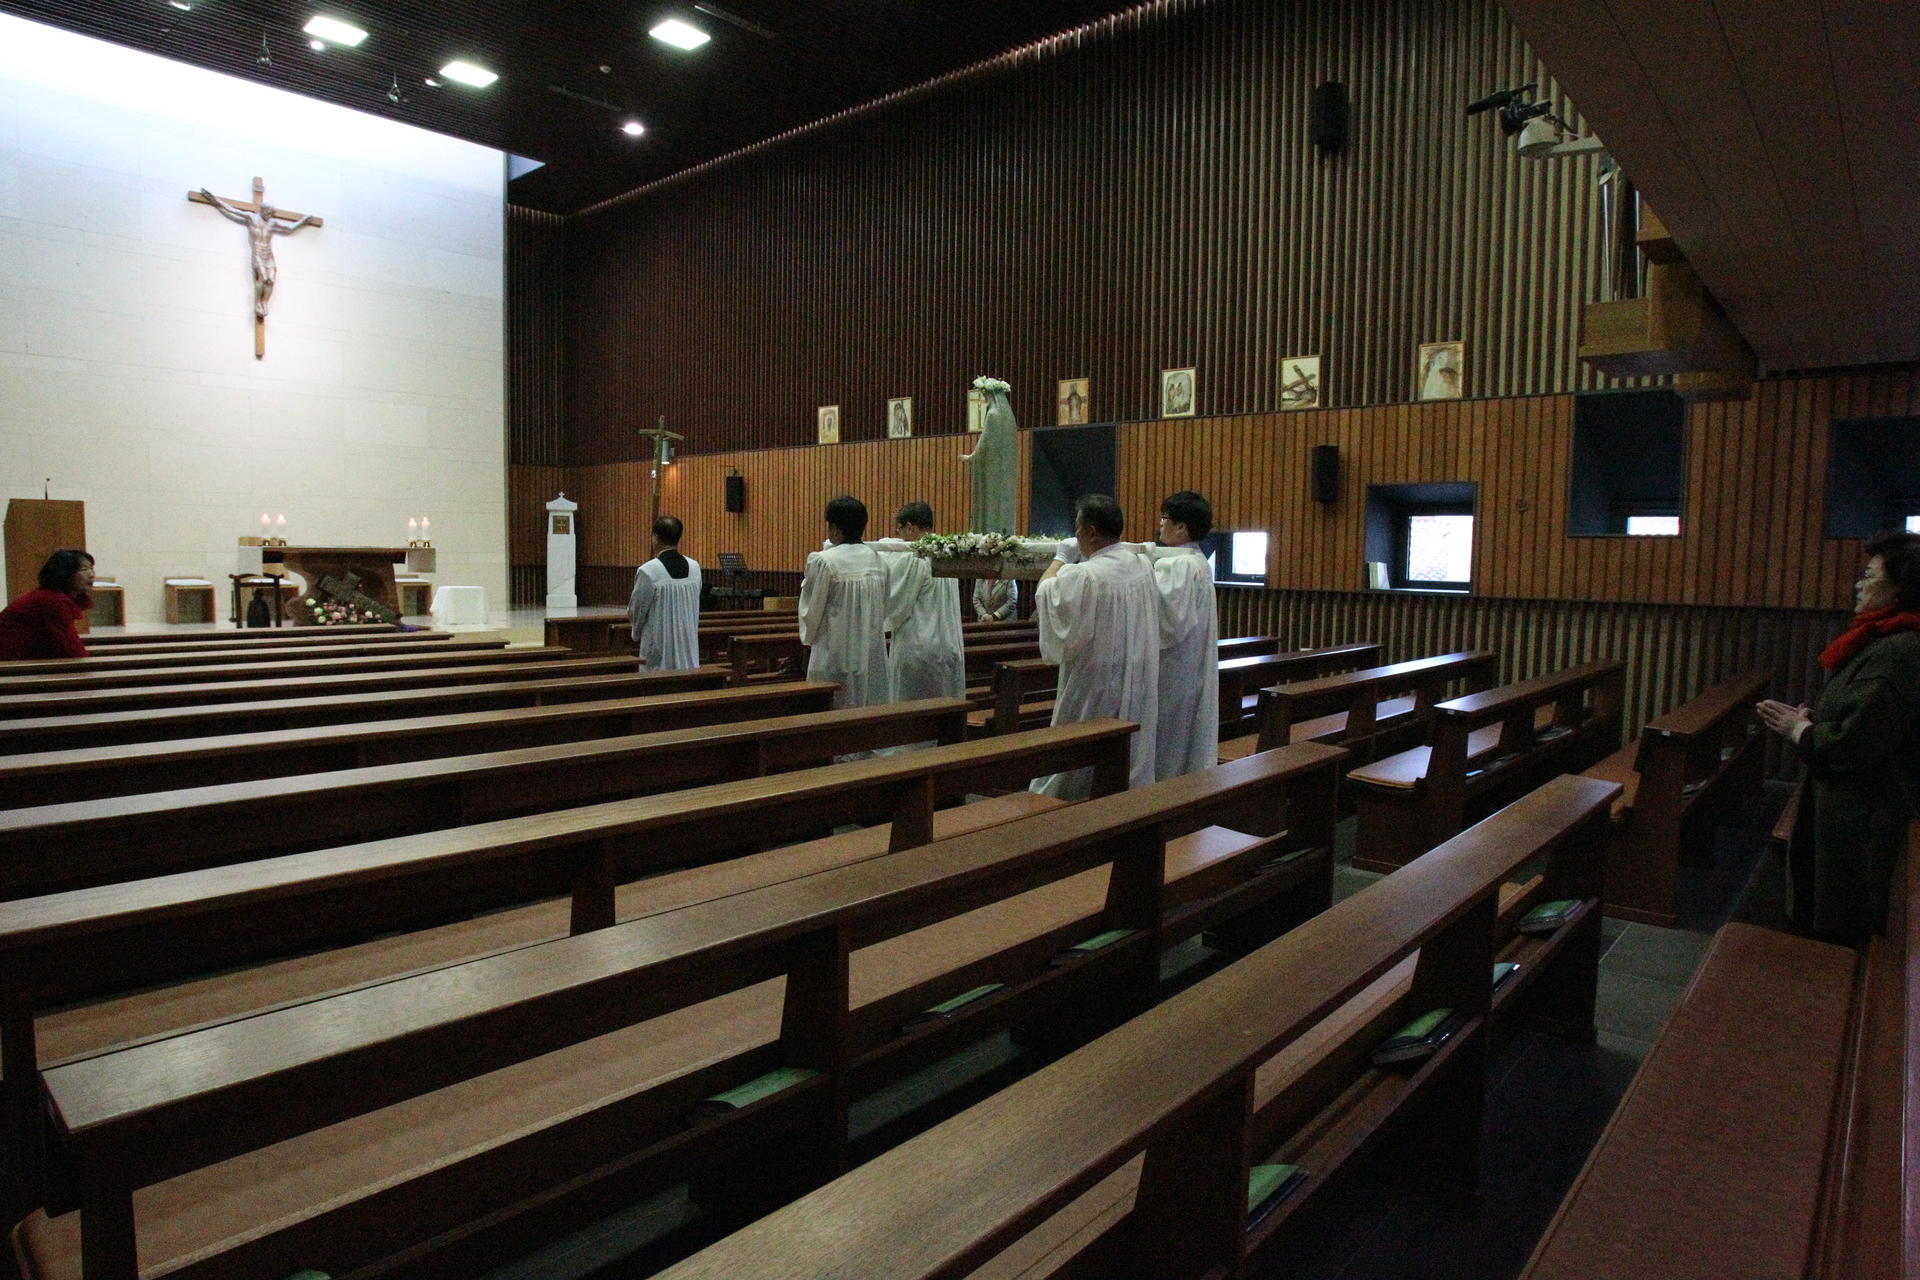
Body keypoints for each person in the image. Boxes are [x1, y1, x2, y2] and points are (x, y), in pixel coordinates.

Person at [1759, 530, 1920, 944]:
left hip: (1863, 815)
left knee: (1842, 922)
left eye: (1869, 577)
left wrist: (1799, 730)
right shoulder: (1885, 640)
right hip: (1852, 807)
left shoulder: (1900, 650)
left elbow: (1856, 744)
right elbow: (1868, 717)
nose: (1859, 585)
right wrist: (1815, 722)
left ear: (1900, 589)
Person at [1030, 495, 1166, 798]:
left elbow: (1046, 593)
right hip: (1135, 674)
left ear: (1091, 532)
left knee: (1080, 747)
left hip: (1096, 680)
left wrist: (1060, 559)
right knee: (1128, 749)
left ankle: (1066, 802)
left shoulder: (1086, 574)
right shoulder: (1141, 564)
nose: (1075, 534)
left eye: (1077, 527)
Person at [1143, 491, 1220, 781]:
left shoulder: (1179, 564)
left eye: (1164, 518)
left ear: (1181, 527)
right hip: (1189, 659)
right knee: (1185, 731)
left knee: (1168, 736)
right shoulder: (1197, 560)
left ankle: (1164, 793)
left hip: (1173, 665)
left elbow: (1167, 622)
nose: (1160, 524)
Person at [798, 495, 892, 710]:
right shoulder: (879, 561)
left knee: (830, 712)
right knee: (866, 712)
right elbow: (884, 607)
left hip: (833, 654)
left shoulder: (825, 561)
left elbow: (812, 611)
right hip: (869, 654)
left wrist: (809, 637)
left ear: (835, 529)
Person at [873, 502, 965, 705]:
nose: (899, 536)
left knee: (912, 710)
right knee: (942, 707)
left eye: (899, 529)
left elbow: (895, 602)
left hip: (919, 648)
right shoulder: (946, 554)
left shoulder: (915, 558)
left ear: (910, 527)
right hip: (948, 643)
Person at [628, 515, 703, 670]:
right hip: (687, 646)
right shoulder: (694, 567)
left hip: (659, 648)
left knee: (657, 680)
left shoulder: (648, 571)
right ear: (679, 537)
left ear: (655, 538)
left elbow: (637, 610)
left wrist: (636, 631)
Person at [0, 548, 95, 660]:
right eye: (84, 569)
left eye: (91, 568)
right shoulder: (52, 600)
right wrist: (89, 664)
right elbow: (69, 644)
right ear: (65, 573)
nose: (91, 574)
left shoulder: (56, 597)